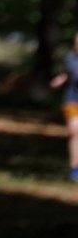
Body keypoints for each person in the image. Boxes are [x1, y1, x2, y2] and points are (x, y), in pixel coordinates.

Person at [49, 31, 78, 182]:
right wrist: (60, 80)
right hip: (72, 100)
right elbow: (70, 73)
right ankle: (75, 168)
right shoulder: (70, 59)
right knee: (74, 132)